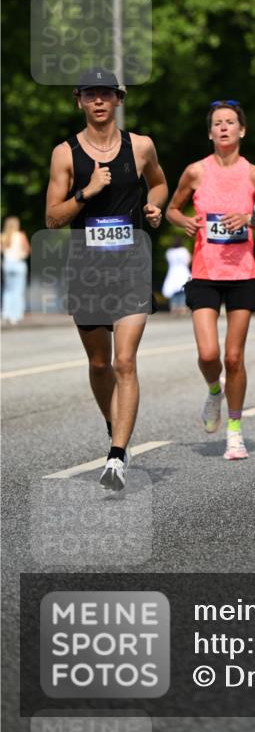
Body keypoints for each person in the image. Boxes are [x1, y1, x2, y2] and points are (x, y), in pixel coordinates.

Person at [45, 69, 168, 491]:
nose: (99, 101)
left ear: (118, 100)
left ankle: (116, 455)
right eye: (90, 94)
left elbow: (159, 185)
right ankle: (112, 423)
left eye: (106, 94)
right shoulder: (65, 153)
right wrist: (87, 191)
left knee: (124, 362)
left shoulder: (142, 146)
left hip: (132, 264)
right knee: (100, 364)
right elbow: (52, 217)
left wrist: (154, 208)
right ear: (79, 101)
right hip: (88, 270)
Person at [166, 100, 255, 459]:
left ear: (242, 130)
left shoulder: (253, 175)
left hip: (243, 274)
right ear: (210, 132)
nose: (224, 128)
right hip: (205, 273)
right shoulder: (195, 172)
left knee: (234, 357)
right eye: (218, 123)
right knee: (209, 354)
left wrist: (248, 220)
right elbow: (172, 208)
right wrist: (182, 221)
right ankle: (213, 392)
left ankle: (235, 431)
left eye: (231, 122)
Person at [1, 216, 30, 325]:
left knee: (8, 289)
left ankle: (6, 313)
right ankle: (16, 315)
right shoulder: (21, 235)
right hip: (18, 264)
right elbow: (27, 250)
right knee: (18, 290)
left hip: (7, 264)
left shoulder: (3, 236)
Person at [161, 236, 191, 315]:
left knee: (173, 291)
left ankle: (174, 307)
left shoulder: (169, 252)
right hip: (183, 272)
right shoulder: (184, 251)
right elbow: (187, 261)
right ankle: (182, 307)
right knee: (183, 291)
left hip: (172, 272)